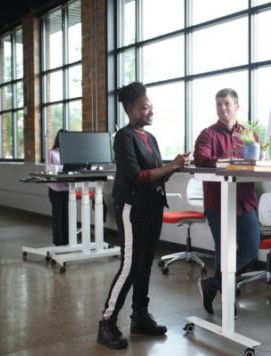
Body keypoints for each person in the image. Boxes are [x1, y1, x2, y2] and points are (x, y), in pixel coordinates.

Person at [98, 82, 191, 349]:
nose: (151, 111)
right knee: (130, 265)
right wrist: (170, 166)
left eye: (151, 106)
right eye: (145, 107)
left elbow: (156, 171)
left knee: (145, 263)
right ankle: (106, 322)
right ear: (130, 110)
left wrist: (175, 165)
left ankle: (139, 316)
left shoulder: (150, 138)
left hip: (152, 206)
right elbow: (137, 177)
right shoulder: (124, 137)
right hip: (132, 208)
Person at [194, 88, 260, 317]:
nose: (223, 108)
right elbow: (202, 158)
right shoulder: (207, 134)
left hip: (245, 201)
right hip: (219, 202)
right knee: (224, 251)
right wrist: (231, 162)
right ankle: (227, 296)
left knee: (251, 249)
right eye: (219, 104)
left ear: (237, 107)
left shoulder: (249, 135)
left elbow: (256, 159)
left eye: (227, 103)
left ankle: (212, 284)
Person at [46, 129, 69, 246]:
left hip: (68, 189)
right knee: (58, 216)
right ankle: (59, 243)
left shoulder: (71, 152)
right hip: (55, 189)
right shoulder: (52, 153)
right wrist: (61, 169)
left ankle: (67, 242)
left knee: (67, 217)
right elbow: (48, 169)